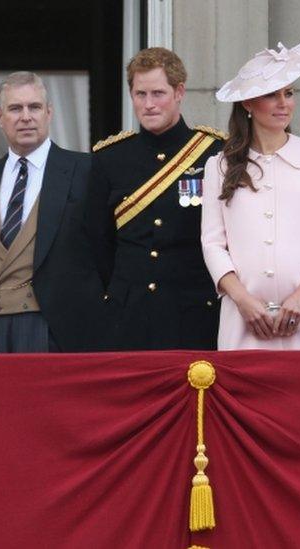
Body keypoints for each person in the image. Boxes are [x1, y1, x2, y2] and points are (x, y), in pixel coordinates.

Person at [202, 38, 300, 350]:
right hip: (243, 319)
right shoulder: (219, 166)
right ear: (248, 104)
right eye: (271, 94)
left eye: (289, 93)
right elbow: (213, 243)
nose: (283, 103)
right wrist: (242, 300)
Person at [87, 47, 226, 350]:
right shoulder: (109, 158)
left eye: (158, 93)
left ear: (179, 92)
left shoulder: (215, 153)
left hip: (194, 311)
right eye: (140, 94)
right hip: (129, 314)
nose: (148, 105)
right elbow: (99, 242)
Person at [0, 72, 105, 352]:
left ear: (49, 112)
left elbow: (104, 253)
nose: (25, 117)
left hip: (58, 328)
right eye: (15, 108)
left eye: (34, 107)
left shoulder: (86, 170)